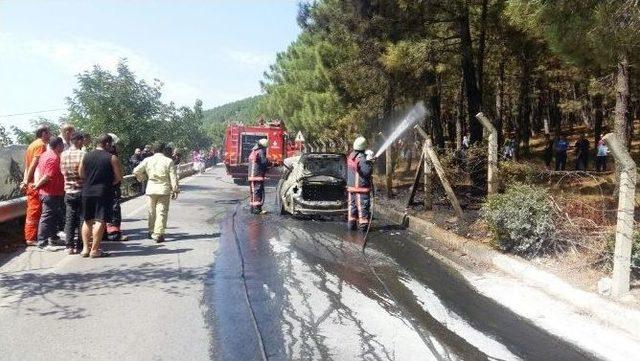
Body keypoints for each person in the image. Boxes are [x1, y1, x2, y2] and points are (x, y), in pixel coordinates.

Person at [80, 133, 122, 258]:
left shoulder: (86, 156)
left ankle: (85, 249)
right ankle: (95, 250)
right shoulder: (112, 157)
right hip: (103, 192)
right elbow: (118, 177)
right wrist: (108, 183)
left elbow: (81, 174)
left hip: (86, 191)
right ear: (107, 144)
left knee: (87, 220)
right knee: (100, 220)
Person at [133, 142, 179, 243]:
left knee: (151, 212)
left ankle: (151, 231)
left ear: (153, 150)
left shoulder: (148, 160)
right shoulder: (169, 161)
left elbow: (136, 171)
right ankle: (158, 234)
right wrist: (175, 190)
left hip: (151, 188)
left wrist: (143, 178)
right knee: (161, 212)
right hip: (164, 189)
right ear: (163, 150)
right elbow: (173, 177)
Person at [32, 137, 66, 250]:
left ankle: (53, 238)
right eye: (62, 145)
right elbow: (47, 176)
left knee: (53, 216)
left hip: (51, 192)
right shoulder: (53, 158)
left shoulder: (45, 154)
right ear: (58, 146)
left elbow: (37, 169)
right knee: (47, 216)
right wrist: (37, 185)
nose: (63, 147)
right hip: (50, 192)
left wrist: (37, 183)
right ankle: (42, 241)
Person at [20, 125, 51, 246]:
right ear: (43, 133)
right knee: (34, 211)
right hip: (35, 183)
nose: (50, 135)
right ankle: (31, 238)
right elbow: (33, 164)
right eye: (49, 133)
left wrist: (24, 181)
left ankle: (33, 236)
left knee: (34, 211)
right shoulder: (41, 145)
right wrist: (27, 182)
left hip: (32, 182)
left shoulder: (32, 145)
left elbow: (27, 166)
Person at [60, 132, 86, 254]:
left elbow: (62, 171)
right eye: (82, 141)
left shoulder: (63, 154)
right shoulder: (82, 154)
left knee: (69, 219)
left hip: (68, 190)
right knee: (82, 218)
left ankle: (69, 246)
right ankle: (80, 245)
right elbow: (83, 173)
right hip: (81, 189)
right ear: (78, 141)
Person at [347, 136, 374, 232]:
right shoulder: (362, 159)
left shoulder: (351, 156)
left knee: (352, 210)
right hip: (361, 190)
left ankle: (351, 227)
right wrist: (369, 161)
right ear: (364, 147)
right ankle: (363, 229)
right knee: (363, 210)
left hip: (351, 189)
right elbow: (367, 172)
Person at [104, 133, 128, 242]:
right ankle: (114, 233)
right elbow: (117, 174)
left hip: (102, 186)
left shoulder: (97, 153)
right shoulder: (112, 155)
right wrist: (117, 181)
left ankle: (104, 233)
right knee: (114, 209)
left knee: (102, 210)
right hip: (112, 186)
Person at [247, 138, 270, 214]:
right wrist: (271, 165)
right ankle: (257, 210)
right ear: (263, 146)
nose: (266, 149)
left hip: (254, 176)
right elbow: (264, 162)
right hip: (256, 176)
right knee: (257, 192)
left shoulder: (254, 151)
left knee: (254, 192)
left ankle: (253, 209)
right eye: (266, 147)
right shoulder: (261, 152)